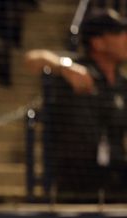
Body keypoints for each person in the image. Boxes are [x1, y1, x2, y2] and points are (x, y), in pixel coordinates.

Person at [24, 8, 127, 202]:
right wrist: (64, 66)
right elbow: (32, 59)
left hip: (117, 174)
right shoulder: (74, 71)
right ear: (98, 42)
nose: (125, 38)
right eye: (118, 33)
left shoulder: (122, 84)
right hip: (77, 177)